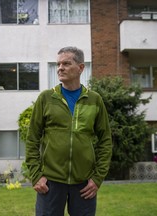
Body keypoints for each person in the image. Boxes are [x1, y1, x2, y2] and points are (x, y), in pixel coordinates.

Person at [25, 46, 112, 216]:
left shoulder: (94, 100)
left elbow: (105, 140)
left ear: (80, 68)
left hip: (84, 184)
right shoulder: (46, 98)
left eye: (66, 63)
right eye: (58, 64)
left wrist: (97, 178)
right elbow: (32, 139)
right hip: (50, 183)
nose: (60, 68)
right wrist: (36, 175)